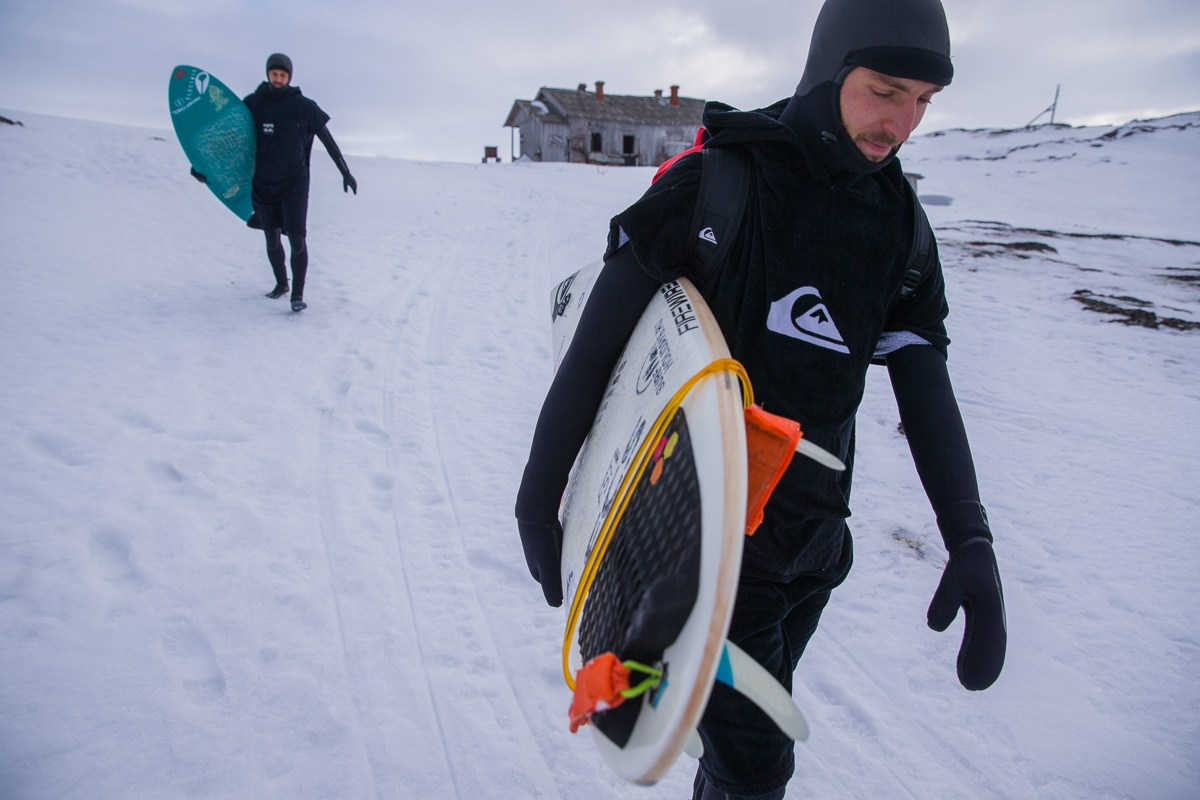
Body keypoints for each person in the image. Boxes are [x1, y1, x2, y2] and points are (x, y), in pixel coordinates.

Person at [514, 0, 1007, 797]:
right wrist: (539, 498)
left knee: (741, 757)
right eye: (885, 90)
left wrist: (971, 536)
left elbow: (923, 376)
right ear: (831, 67)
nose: (903, 122)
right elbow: (599, 345)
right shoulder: (722, 186)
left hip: (815, 545)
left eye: (922, 101)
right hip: (700, 544)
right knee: (758, 765)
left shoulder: (899, 223)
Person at [192, 53, 356, 312]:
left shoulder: (303, 106)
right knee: (271, 240)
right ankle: (281, 285)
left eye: (283, 75)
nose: (278, 78)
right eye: (274, 74)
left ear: (289, 77)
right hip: (264, 184)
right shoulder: (253, 104)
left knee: (298, 239)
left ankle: (297, 296)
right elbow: (228, 141)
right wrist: (203, 168)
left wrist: (345, 171)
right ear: (268, 74)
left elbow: (327, 138)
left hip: (294, 184)